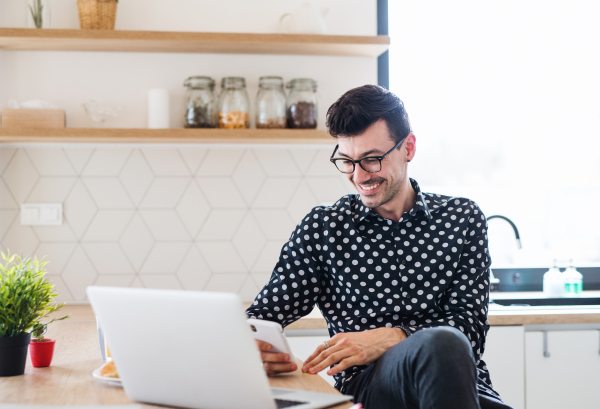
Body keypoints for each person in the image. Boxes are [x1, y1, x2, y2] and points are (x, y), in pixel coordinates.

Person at [246, 85, 512, 409]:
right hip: (374, 390)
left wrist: (391, 335)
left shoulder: (462, 218)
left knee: (446, 344)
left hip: (461, 387)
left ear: (409, 147)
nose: (359, 176)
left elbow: (469, 331)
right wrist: (254, 347)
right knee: (442, 341)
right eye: (347, 161)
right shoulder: (325, 228)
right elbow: (262, 318)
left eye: (371, 160)